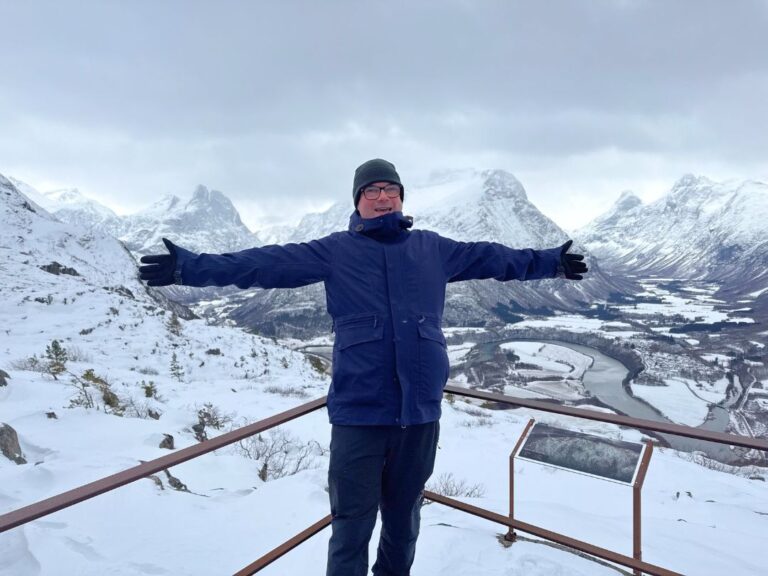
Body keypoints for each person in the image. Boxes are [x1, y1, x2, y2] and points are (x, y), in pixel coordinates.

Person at [139, 158, 588, 576]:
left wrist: (552, 262)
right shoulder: (335, 251)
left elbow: (496, 258)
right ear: (357, 200)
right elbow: (264, 264)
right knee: (352, 524)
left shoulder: (434, 249)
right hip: (360, 413)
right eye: (372, 190)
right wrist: (187, 268)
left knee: (404, 520)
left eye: (391, 189)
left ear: (401, 198)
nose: (382, 197)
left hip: (419, 414)